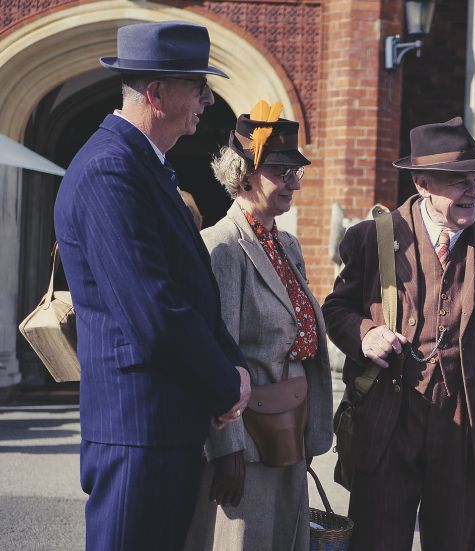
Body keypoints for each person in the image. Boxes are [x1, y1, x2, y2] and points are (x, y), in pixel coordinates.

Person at [53, 22, 251, 550]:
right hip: (136, 430)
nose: (208, 100)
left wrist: (234, 367)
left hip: (163, 426)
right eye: (197, 86)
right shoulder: (109, 170)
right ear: (156, 92)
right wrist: (227, 384)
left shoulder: (147, 166)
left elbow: (194, 293)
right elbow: (154, 312)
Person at [323, 116, 475, 551]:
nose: (474, 191)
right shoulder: (372, 238)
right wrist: (365, 334)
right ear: (421, 183)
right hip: (386, 420)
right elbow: (336, 308)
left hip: (463, 424)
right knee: (376, 541)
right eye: (458, 182)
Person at [184, 105, 333, 550]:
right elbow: (216, 354)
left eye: (296, 171)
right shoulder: (222, 246)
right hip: (246, 443)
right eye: (280, 170)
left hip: (289, 432)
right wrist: (226, 449)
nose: (293, 181)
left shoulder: (286, 243)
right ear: (244, 175)